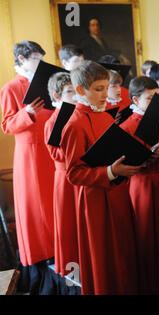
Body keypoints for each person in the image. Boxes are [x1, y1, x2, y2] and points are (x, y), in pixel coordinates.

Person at [60, 60, 140, 294]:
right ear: (80, 91)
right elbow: (73, 173)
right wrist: (110, 171)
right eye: (98, 89)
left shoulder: (105, 116)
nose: (105, 94)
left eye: (106, 87)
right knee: (104, 258)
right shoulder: (74, 125)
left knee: (123, 253)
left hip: (118, 196)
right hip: (96, 201)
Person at [1, 41, 55, 274]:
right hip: (30, 152)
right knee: (37, 204)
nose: (41, 62)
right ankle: (42, 253)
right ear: (21, 59)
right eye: (36, 58)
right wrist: (27, 113)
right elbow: (7, 125)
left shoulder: (43, 82)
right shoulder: (11, 87)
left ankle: (59, 248)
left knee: (53, 202)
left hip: (50, 147)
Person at [120, 76, 159, 294]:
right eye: (150, 98)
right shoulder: (127, 126)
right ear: (135, 99)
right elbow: (123, 161)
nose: (155, 102)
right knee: (147, 237)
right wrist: (145, 158)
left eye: (157, 97)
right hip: (142, 185)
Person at [43, 72, 78, 277]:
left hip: (81, 175)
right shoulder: (52, 122)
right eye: (69, 92)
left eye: (76, 91)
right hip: (65, 179)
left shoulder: (78, 115)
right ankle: (73, 273)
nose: (74, 95)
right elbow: (56, 154)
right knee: (68, 225)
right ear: (57, 96)